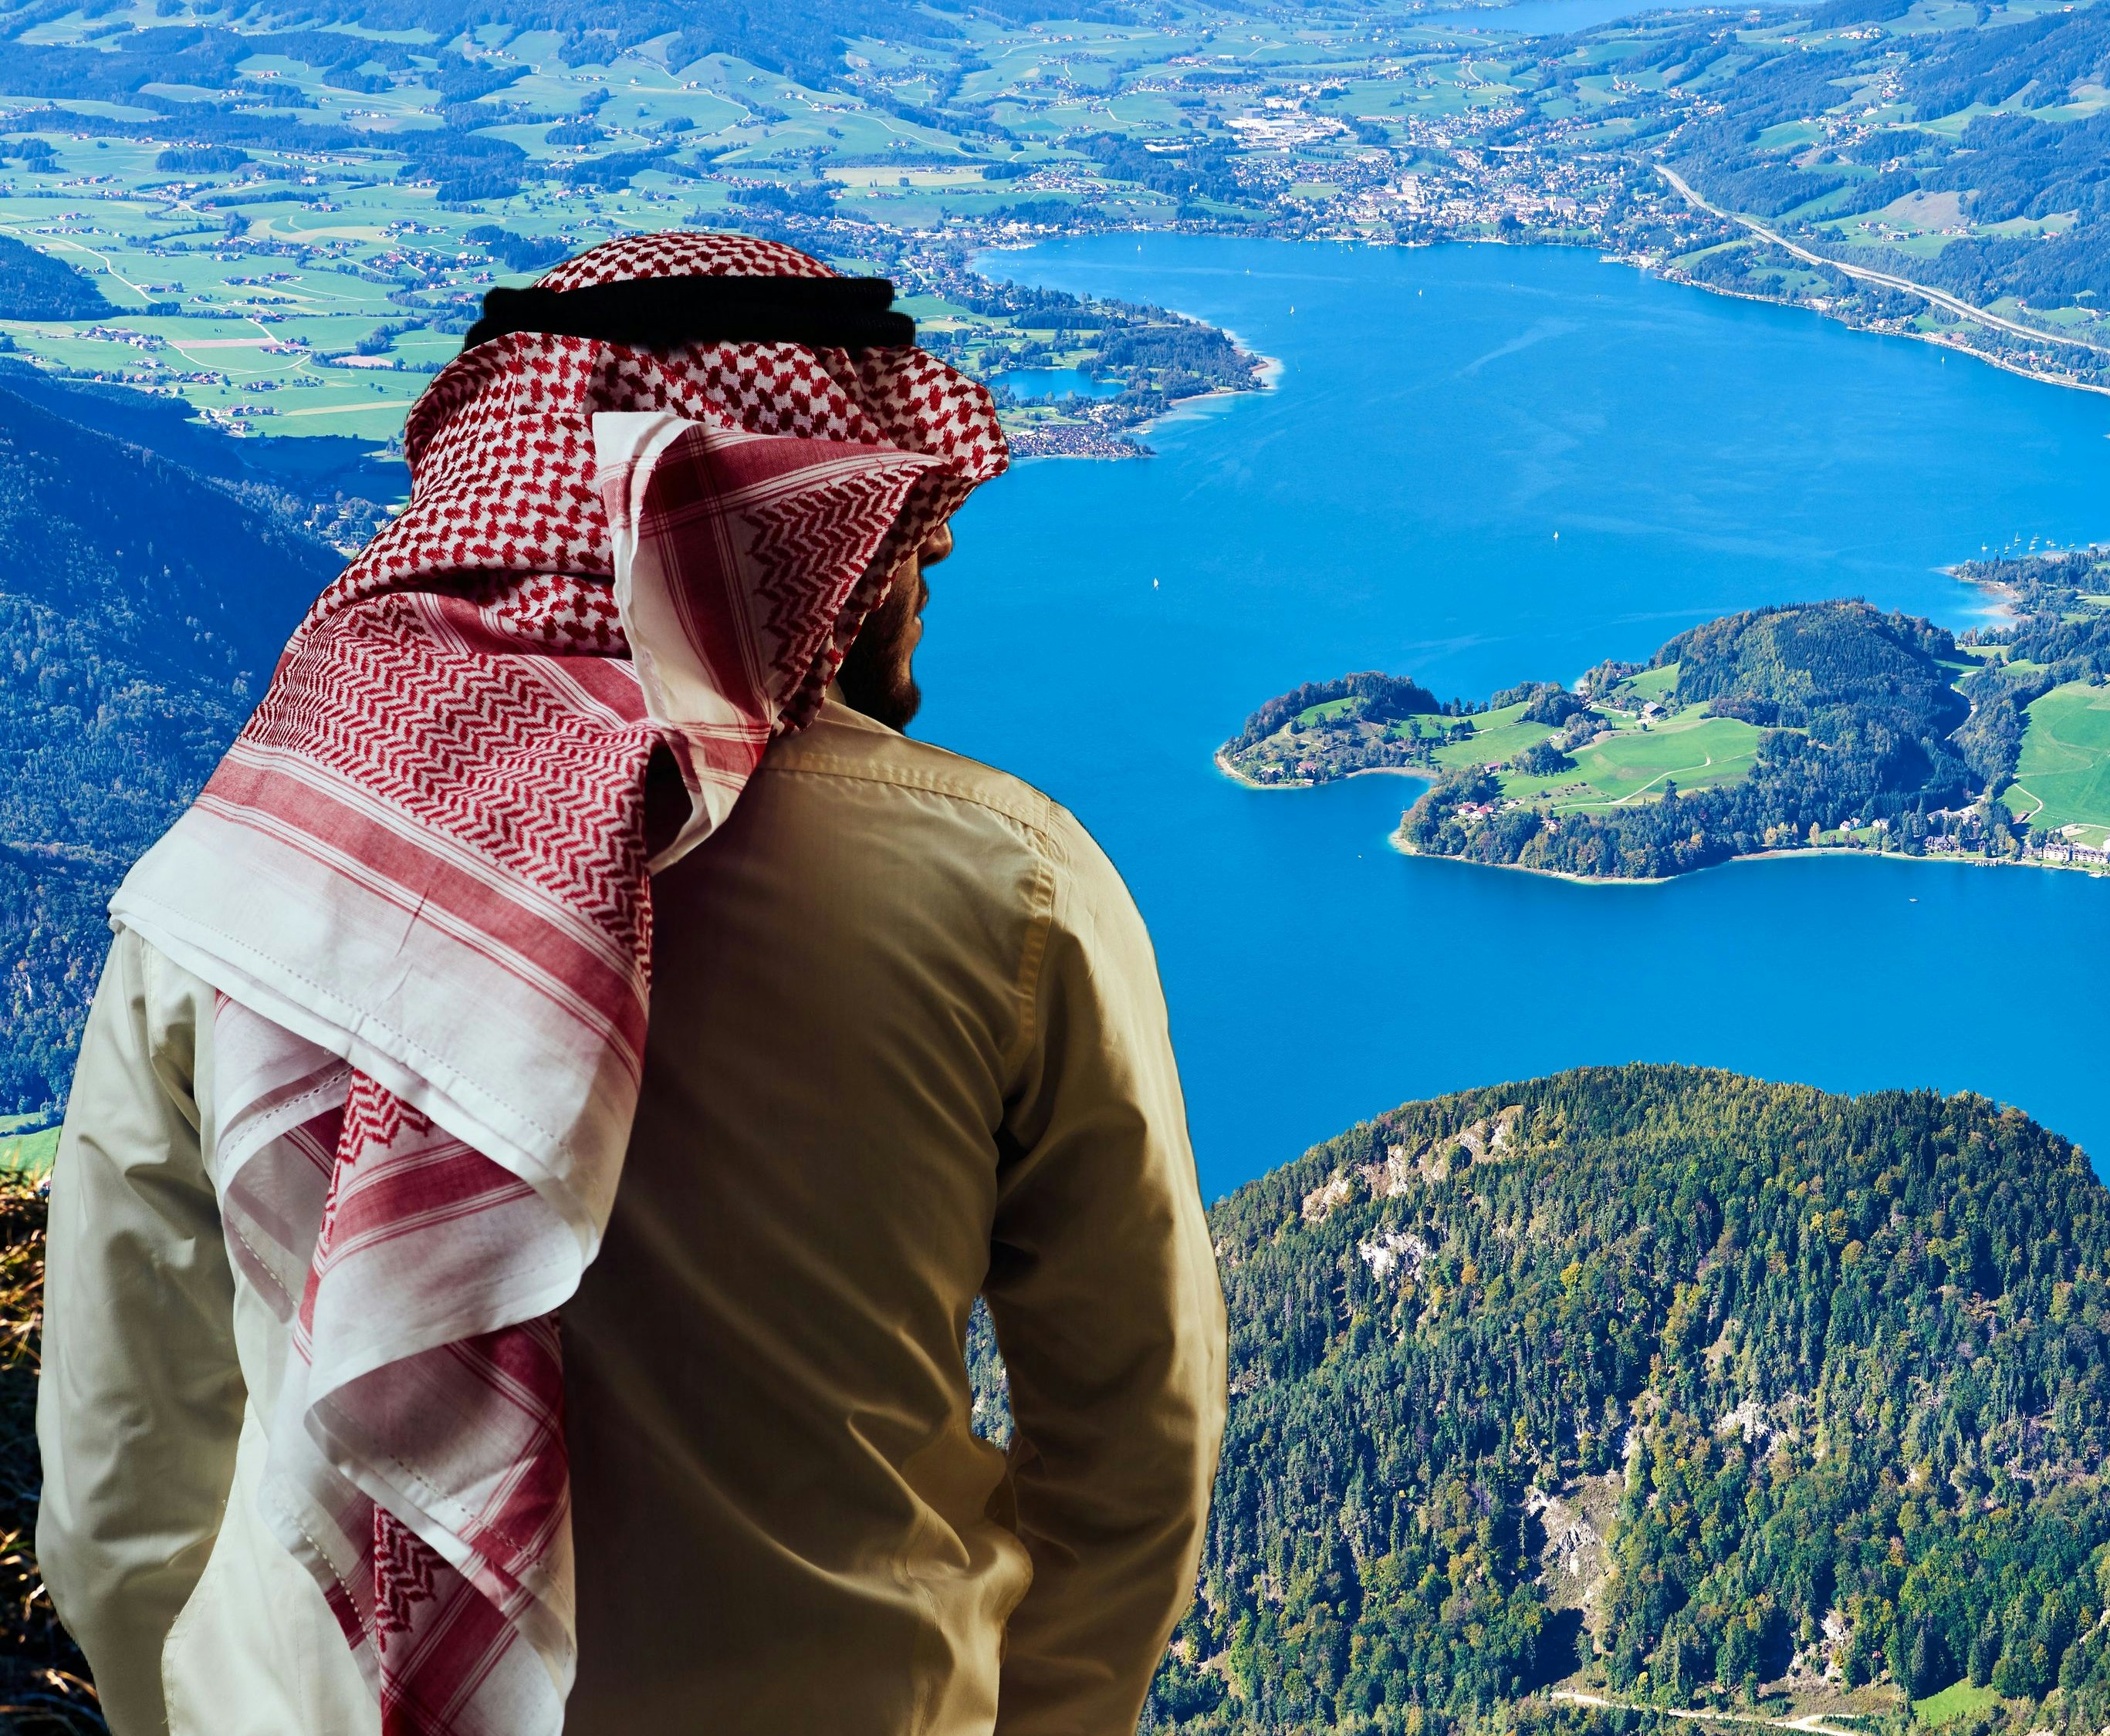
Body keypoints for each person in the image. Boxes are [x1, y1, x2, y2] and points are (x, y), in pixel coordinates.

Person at [36, 234, 1226, 1736]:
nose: (925, 582)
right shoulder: (1010, 889)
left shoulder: (239, 883)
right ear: (805, 548)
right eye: (899, 537)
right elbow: (1133, 1445)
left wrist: (196, 1708)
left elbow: (121, 1460)